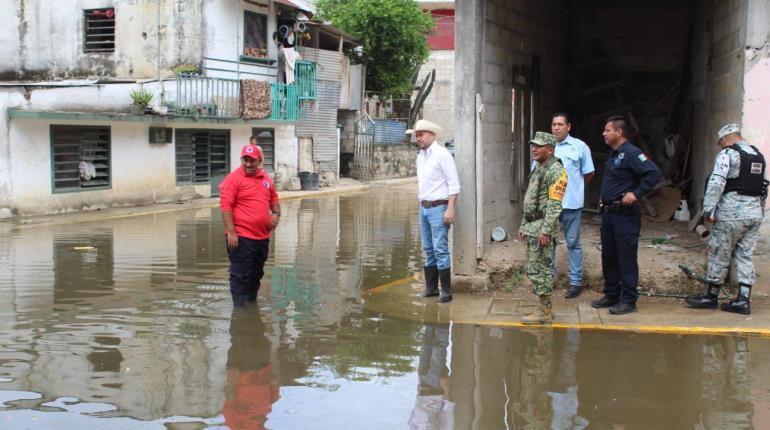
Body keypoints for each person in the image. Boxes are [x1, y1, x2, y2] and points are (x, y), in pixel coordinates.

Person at [685, 123, 767, 315]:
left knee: (719, 251)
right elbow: (763, 187)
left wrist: (708, 211)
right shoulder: (758, 156)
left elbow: (716, 182)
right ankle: (743, 301)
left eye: (720, 143)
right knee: (745, 254)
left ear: (724, 140)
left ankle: (710, 297)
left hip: (731, 214)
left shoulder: (728, 154)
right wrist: (760, 211)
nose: (721, 146)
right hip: (754, 214)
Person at [592, 116, 661, 315]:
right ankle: (612, 293)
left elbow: (653, 173)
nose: (603, 134)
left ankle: (628, 300)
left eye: (607, 130)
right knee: (609, 256)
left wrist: (636, 193)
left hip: (625, 216)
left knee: (626, 257)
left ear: (619, 132)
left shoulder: (632, 153)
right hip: (610, 214)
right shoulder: (615, 154)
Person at [220, 144, 281, 307]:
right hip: (241, 237)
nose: (248, 164)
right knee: (240, 274)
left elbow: (274, 197)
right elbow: (225, 206)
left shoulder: (265, 179)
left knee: (256, 273)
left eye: (252, 161)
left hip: (262, 237)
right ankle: (239, 311)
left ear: (259, 161)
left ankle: (251, 303)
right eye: (245, 160)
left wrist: (276, 214)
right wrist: (231, 232)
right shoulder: (233, 179)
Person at [408, 119, 460, 303]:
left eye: (421, 134)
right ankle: (431, 288)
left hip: (439, 208)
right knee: (428, 249)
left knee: (440, 249)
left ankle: (446, 291)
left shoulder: (442, 154)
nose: (418, 138)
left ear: (432, 135)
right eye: (417, 135)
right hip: (424, 207)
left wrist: (450, 209)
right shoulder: (421, 156)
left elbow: (454, 185)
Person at [519, 131, 567, 325]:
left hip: (542, 228)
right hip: (533, 225)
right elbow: (531, 198)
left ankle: (545, 312)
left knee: (540, 270)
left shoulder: (556, 170)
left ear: (550, 149)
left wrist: (545, 231)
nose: (534, 149)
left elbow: (555, 205)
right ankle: (543, 308)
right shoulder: (539, 167)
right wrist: (524, 224)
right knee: (533, 267)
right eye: (533, 145)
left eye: (539, 146)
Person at [549, 113, 595, 298]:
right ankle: (547, 278)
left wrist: (576, 189)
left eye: (561, 124)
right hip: (550, 205)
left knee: (573, 242)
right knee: (548, 242)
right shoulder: (545, 146)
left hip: (572, 204)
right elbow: (536, 174)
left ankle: (575, 282)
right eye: (554, 124)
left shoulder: (579, 147)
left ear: (569, 126)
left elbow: (589, 172)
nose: (557, 128)